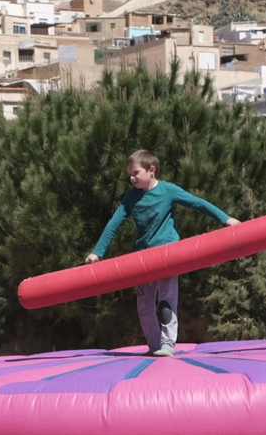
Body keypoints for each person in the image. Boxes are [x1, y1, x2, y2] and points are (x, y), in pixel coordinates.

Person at [85, 149, 240, 356]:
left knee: (166, 301)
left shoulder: (168, 190)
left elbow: (198, 203)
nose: (132, 178)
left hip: (168, 255)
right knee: (145, 306)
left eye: (136, 173)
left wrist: (226, 219)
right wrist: (98, 252)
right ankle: (155, 345)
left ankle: (168, 344)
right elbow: (114, 224)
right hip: (143, 259)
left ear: (152, 170)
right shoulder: (131, 198)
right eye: (129, 174)